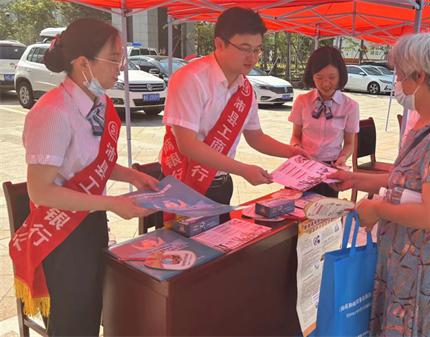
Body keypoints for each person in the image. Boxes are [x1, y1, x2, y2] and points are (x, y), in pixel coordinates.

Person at [9, 18, 158, 336]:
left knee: (91, 312)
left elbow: (93, 163)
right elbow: (41, 191)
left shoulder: (99, 104)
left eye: (122, 58)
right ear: (83, 64)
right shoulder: (53, 113)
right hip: (60, 236)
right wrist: (112, 202)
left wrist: (131, 175)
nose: (121, 67)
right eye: (114, 57)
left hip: (89, 223)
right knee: (72, 324)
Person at [329, 32, 430, 336]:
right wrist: (356, 178)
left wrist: (377, 208)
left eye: (399, 75)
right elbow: (411, 181)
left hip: (422, 274)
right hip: (403, 263)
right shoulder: (427, 122)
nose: (397, 83)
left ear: (419, 76)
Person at [160, 7, 303, 219]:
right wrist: (243, 169)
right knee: (187, 251)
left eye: (257, 49)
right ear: (220, 44)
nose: (252, 57)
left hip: (221, 184)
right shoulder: (190, 79)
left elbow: (256, 137)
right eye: (245, 48)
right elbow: (188, 145)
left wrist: (293, 152)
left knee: (222, 248)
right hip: (186, 183)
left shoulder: (245, 89)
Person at [288, 46, 359, 197]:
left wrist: (342, 158)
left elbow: (349, 143)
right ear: (311, 76)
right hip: (303, 166)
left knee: (324, 215)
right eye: (319, 77)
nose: (326, 84)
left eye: (332, 77)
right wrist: (296, 148)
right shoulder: (302, 101)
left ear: (340, 76)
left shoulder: (350, 106)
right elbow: (295, 135)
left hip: (331, 169)